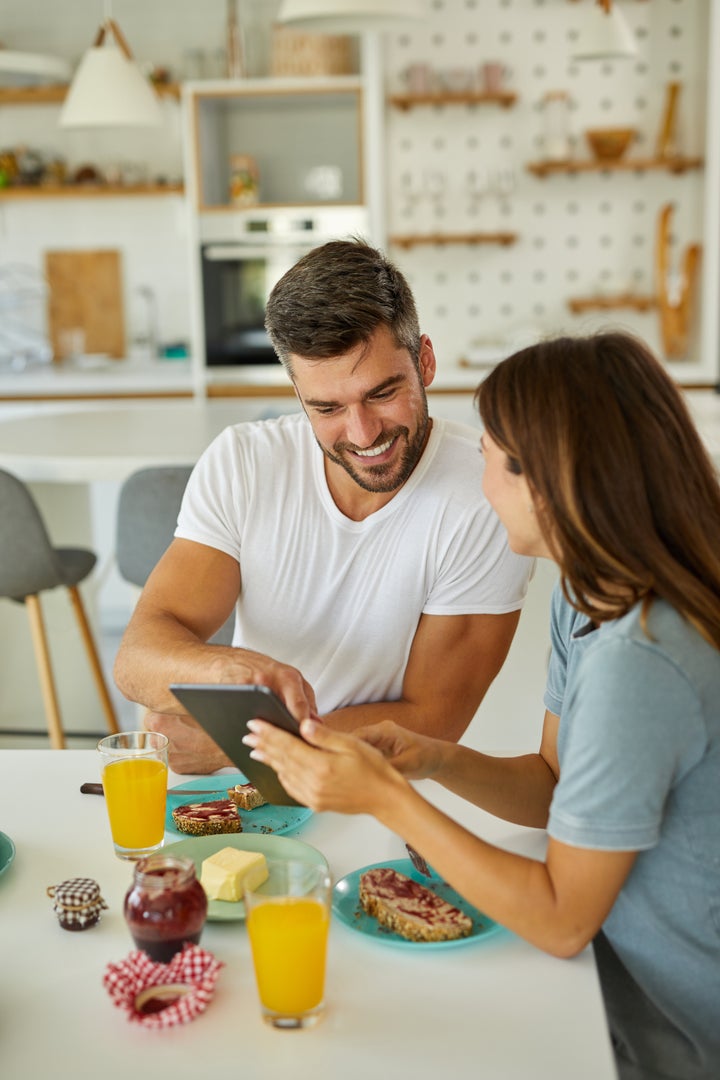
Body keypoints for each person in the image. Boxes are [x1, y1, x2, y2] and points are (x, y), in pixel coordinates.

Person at [245, 332, 720, 1080]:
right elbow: (558, 789)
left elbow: (563, 920)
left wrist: (387, 800)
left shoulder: (643, 663)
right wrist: (435, 760)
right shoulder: (591, 596)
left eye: (495, 457)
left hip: (661, 1030)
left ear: (557, 480)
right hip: (606, 979)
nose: (481, 479)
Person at [114, 239, 532, 773]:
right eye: (327, 407)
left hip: (394, 787)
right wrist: (226, 671)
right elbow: (136, 659)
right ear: (296, 393)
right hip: (259, 792)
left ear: (424, 361)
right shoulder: (245, 461)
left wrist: (241, 745)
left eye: (382, 393)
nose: (362, 434)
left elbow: (433, 718)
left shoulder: (485, 492)